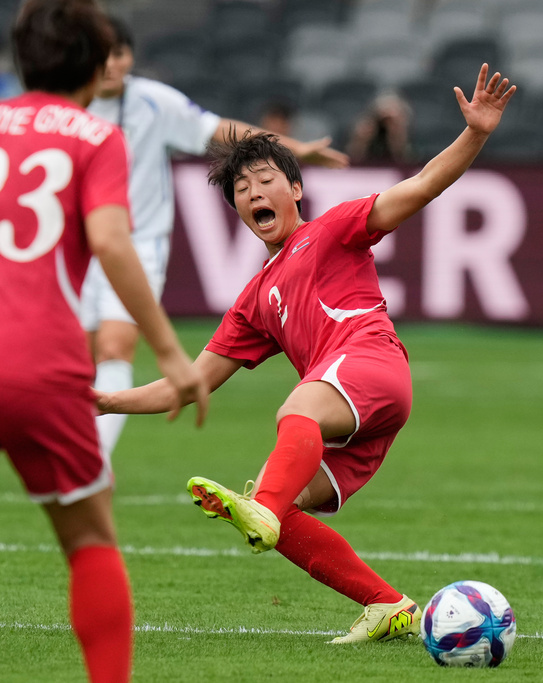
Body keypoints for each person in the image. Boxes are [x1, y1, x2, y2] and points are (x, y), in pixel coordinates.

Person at [96, 63, 515, 644]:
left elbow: (420, 187)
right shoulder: (252, 301)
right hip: (354, 412)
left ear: (296, 189)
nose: (254, 193)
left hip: (371, 364)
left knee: (292, 420)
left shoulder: (334, 229)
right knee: (285, 505)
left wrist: (475, 133)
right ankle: (386, 604)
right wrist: (103, 401)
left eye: (265, 180)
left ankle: (262, 508)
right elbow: (186, 384)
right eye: (242, 190)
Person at [0, 1, 208, 681]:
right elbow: (113, 242)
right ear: (95, 67)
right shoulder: (96, 136)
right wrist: (171, 352)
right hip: (37, 362)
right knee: (90, 539)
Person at [82, 16, 349, 460]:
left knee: (114, 345)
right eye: (100, 54)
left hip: (136, 244)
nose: (110, 64)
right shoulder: (68, 105)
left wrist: (293, 148)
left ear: (130, 58)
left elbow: (218, 130)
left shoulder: (154, 102)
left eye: (119, 53)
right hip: (75, 247)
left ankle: (95, 460)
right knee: (78, 355)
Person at [345, 91, 413, 164]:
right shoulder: (369, 132)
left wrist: (396, 133)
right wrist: (361, 140)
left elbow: (406, 161)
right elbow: (353, 160)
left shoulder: (409, 136)